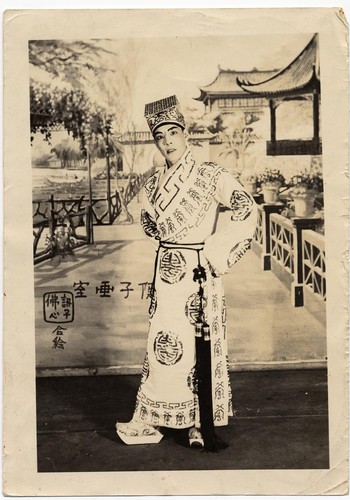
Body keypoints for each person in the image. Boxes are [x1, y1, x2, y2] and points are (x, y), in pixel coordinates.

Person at [116, 95, 257, 451]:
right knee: (162, 346)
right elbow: (148, 223)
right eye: (160, 135)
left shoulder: (211, 175)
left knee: (199, 350)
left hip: (199, 272)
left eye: (173, 132)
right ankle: (156, 416)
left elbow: (245, 207)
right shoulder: (151, 185)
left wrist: (215, 250)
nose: (167, 141)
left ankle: (199, 423)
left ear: (185, 135)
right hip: (166, 275)